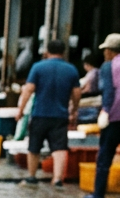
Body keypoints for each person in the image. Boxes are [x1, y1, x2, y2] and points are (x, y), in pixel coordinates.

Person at [17, 39, 81, 187]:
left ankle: (32, 177)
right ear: (63, 52)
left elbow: (28, 90)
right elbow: (77, 93)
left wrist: (21, 111)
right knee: (59, 148)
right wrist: (74, 110)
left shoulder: (38, 67)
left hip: (40, 113)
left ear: (47, 52)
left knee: (34, 147)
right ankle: (57, 179)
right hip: (60, 115)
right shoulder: (71, 69)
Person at [85, 33, 120, 198]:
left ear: (110, 51)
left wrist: (105, 111)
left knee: (105, 155)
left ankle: (98, 193)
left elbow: (108, 91)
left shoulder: (108, 66)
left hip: (114, 116)